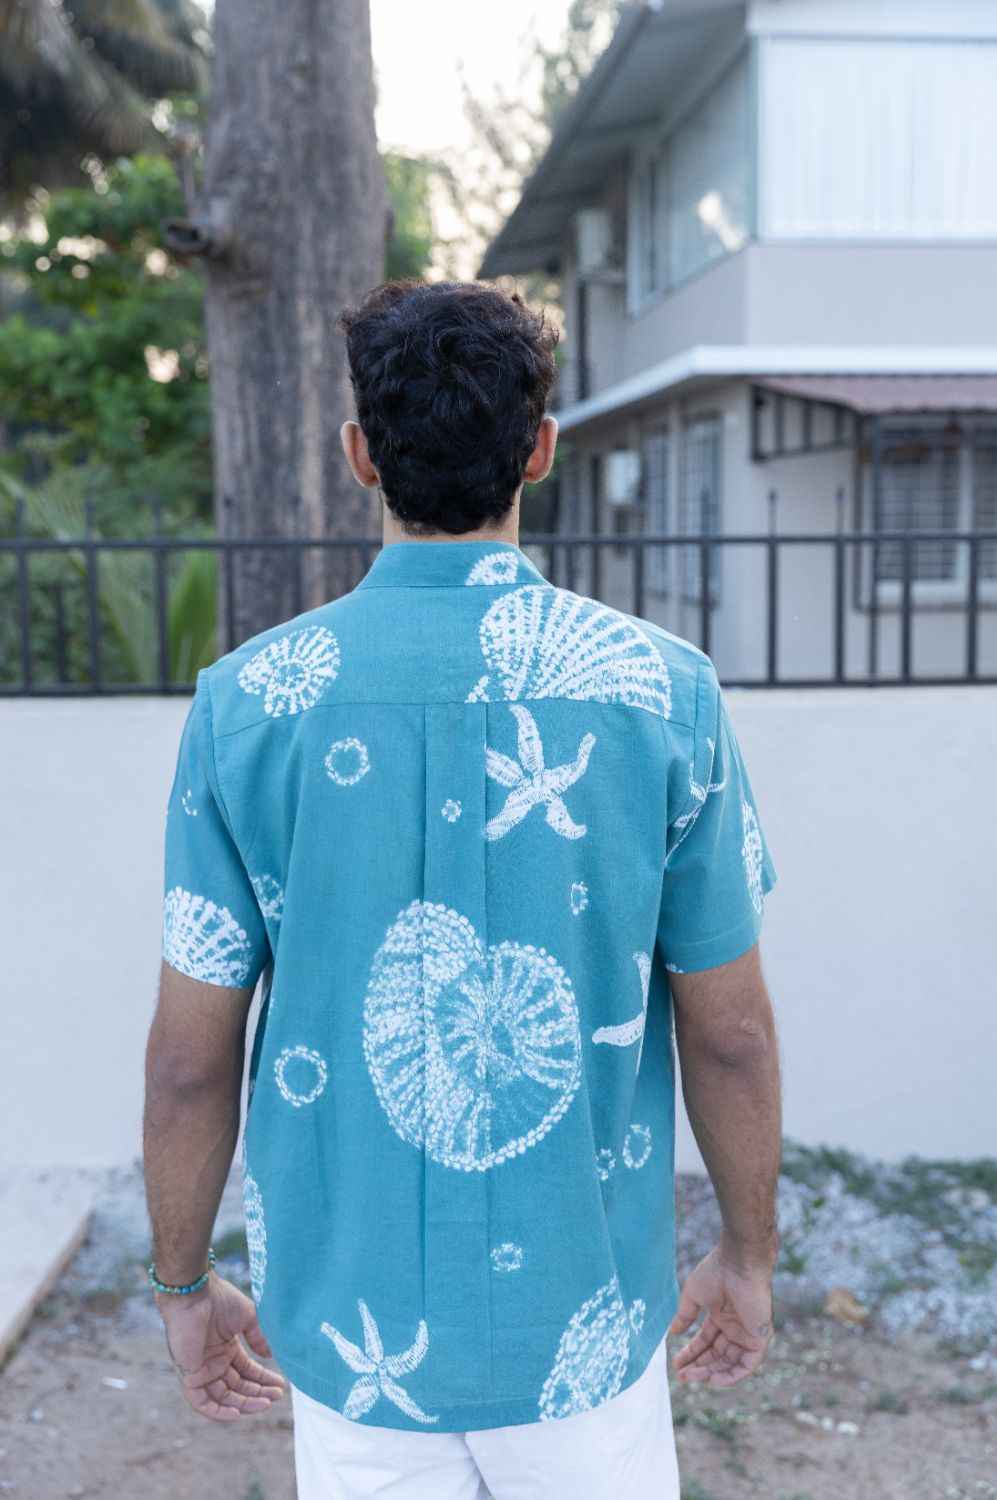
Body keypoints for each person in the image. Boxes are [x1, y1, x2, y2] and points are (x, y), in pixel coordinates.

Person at [143, 278, 782, 1500]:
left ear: (359, 456)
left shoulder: (245, 706)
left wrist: (181, 1284)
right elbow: (733, 1033)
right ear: (539, 449)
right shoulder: (663, 695)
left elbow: (188, 1058)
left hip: (353, 1335)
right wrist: (746, 1259)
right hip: (583, 1329)